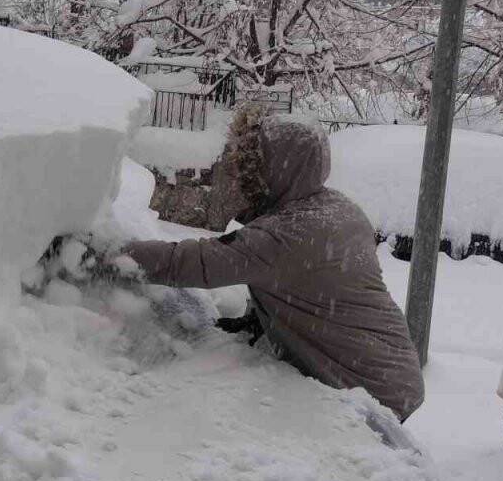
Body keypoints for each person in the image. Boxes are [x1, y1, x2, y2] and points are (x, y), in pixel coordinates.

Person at [121, 107, 424, 421]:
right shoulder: (337, 208)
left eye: (251, 168)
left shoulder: (286, 235)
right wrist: (261, 319)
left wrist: (110, 253)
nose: (241, 177)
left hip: (369, 388)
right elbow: (313, 286)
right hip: (394, 370)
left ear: (276, 170)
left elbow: (191, 262)